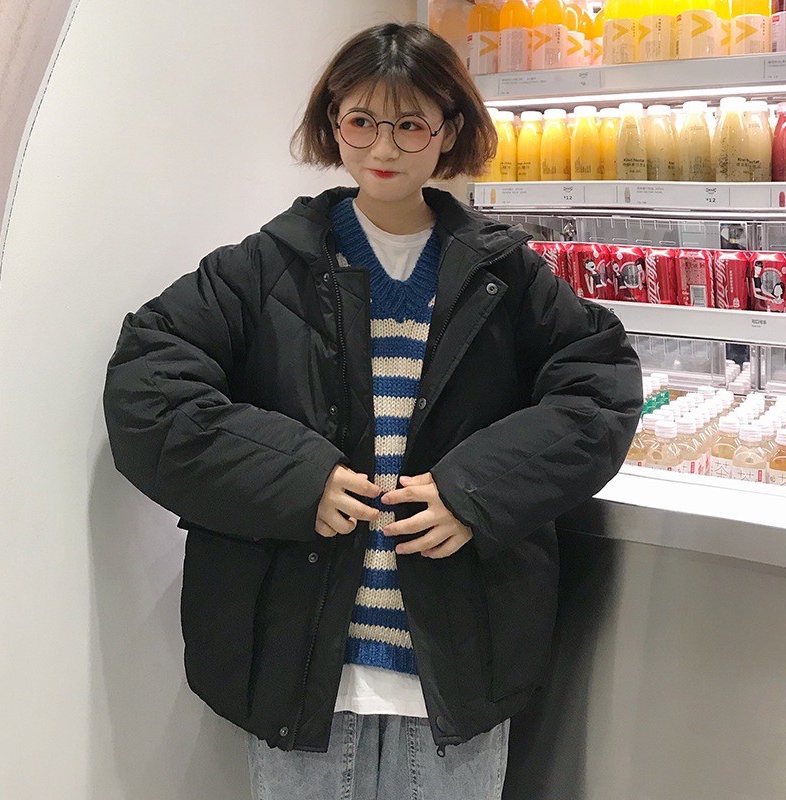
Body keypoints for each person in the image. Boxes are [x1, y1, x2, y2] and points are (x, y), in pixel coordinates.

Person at [102, 22, 642, 800]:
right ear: (334, 123)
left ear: (447, 130)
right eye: (361, 120)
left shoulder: (506, 274)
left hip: (459, 663)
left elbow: (601, 387)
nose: (383, 146)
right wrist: (297, 478)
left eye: (410, 123)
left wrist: (476, 490)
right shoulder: (266, 266)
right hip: (300, 668)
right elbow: (146, 387)